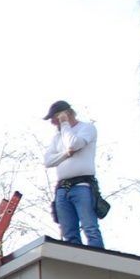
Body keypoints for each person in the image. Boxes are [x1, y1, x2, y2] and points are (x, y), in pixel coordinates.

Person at [42, 99, 104, 248]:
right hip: (63, 188)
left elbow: (73, 144)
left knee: (90, 228)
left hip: (82, 186)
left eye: (55, 118)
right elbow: (48, 161)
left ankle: (97, 261)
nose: (53, 122)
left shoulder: (86, 128)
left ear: (66, 114)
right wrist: (65, 155)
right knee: (69, 233)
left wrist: (65, 124)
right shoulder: (57, 138)